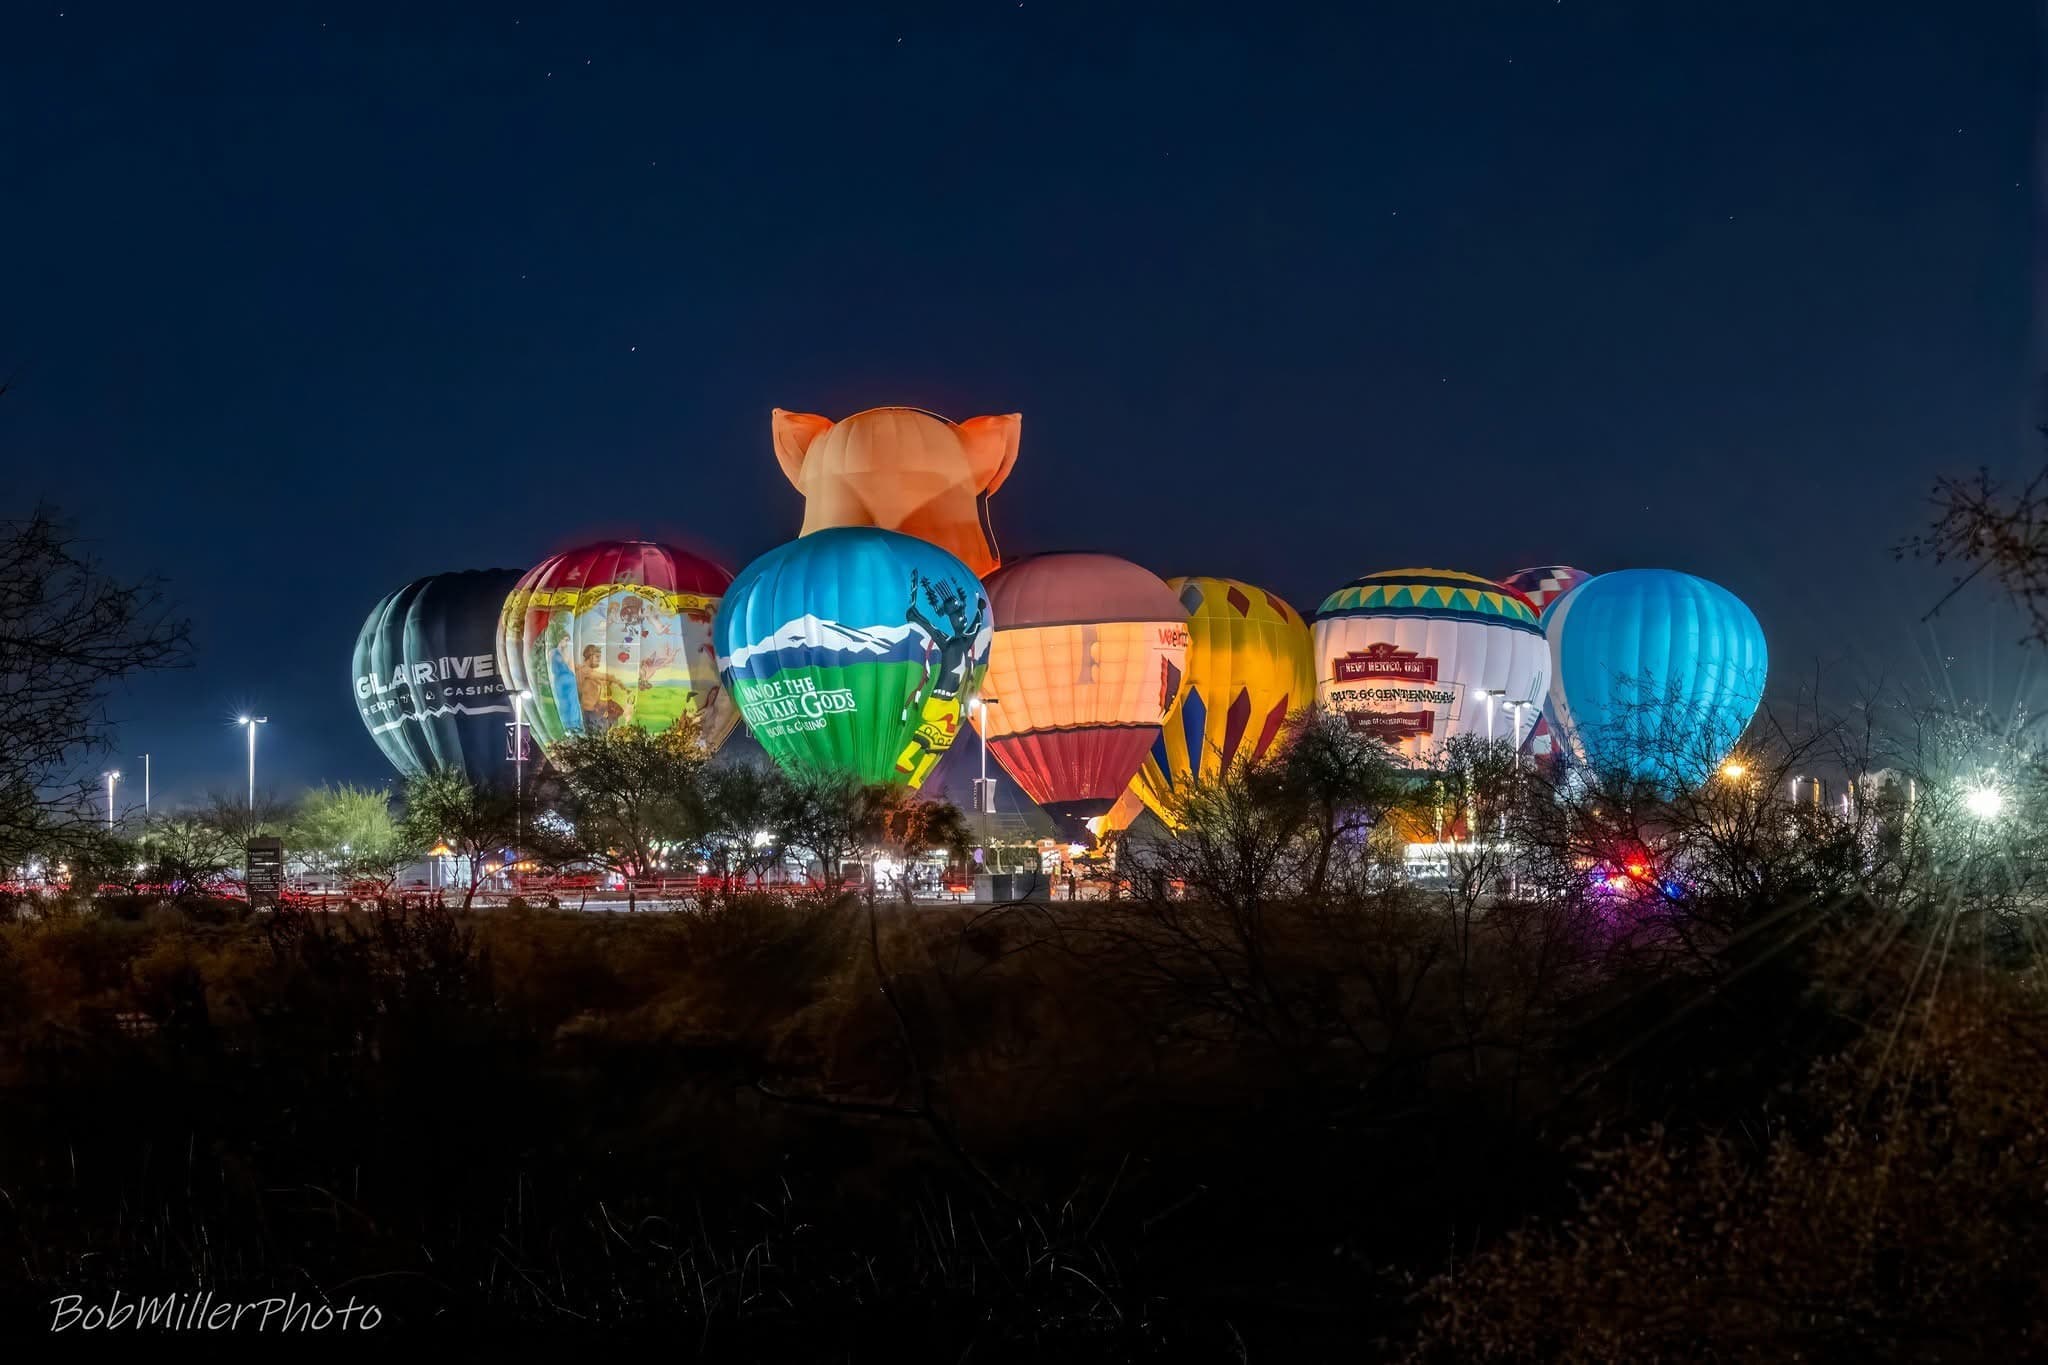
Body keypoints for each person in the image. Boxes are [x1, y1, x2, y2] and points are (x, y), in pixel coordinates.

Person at [894, 570, 986, 785]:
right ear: (951, 619)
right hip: (939, 702)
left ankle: (915, 778)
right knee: (935, 737)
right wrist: (980, 610)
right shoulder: (956, 642)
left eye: (962, 616)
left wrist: (915, 616)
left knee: (940, 744)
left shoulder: (956, 641)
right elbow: (941, 629)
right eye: (958, 616)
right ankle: (906, 757)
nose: (962, 619)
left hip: (948, 702)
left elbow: (966, 629)